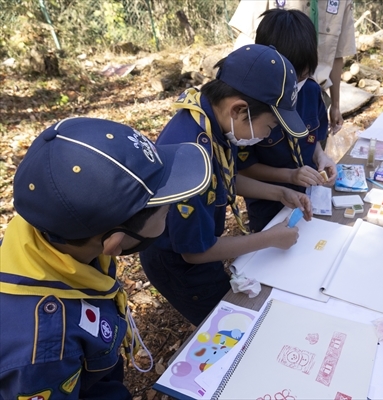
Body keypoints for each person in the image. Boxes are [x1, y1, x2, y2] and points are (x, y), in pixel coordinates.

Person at [0, 117, 212, 398]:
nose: (170, 213)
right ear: (114, 241)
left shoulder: (54, 232)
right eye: (165, 212)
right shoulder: (45, 351)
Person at [140, 44, 313, 326]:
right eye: (270, 125)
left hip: (197, 239)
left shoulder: (210, 120)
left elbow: (226, 178)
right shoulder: (193, 157)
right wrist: (269, 239)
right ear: (239, 110)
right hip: (177, 260)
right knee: (223, 322)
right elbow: (194, 252)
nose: (270, 134)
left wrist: (281, 192)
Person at [238, 9, 337, 232]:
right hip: (267, 202)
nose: (297, 87)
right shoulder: (252, 106)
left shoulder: (311, 91)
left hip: (308, 193)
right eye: (290, 80)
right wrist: (290, 175)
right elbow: (244, 168)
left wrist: (322, 157)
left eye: (301, 78)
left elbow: (315, 138)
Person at [228, 0, 356, 137]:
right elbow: (245, 38)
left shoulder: (343, 2)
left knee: (310, 145)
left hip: (314, 95)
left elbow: (338, 55)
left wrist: (335, 106)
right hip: (270, 95)